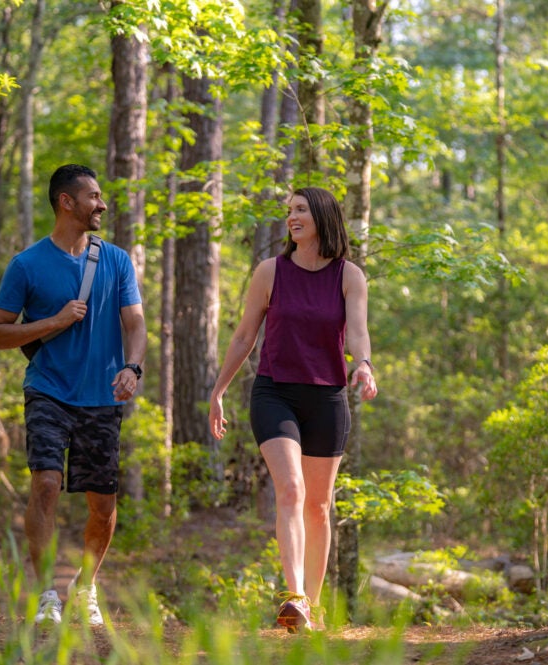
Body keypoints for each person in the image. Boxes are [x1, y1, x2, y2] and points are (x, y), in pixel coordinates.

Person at [208, 186, 377, 633]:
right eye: (289, 211)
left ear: (323, 215)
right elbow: (245, 336)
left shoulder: (348, 276)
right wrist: (218, 390)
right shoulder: (270, 272)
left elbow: (357, 332)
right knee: (291, 491)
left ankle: (312, 608)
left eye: (301, 209)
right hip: (274, 393)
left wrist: (364, 364)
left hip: (326, 398)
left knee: (319, 506)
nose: (292, 217)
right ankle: (294, 595)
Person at [0, 164, 147, 627]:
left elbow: (135, 325)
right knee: (46, 484)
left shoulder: (115, 260)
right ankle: (44, 596)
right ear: (66, 202)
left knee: (103, 505)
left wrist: (132, 368)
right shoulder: (27, 265)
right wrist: (54, 322)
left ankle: (85, 586)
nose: (103, 204)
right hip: (48, 390)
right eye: (94, 196)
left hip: (102, 396)